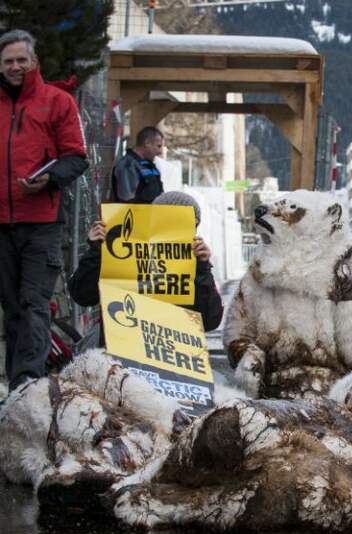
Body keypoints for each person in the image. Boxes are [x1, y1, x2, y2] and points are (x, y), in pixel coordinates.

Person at [0, 30, 88, 389]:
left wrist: (49, 179)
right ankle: (14, 385)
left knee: (34, 304)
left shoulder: (57, 102)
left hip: (41, 222)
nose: (16, 66)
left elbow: (76, 157)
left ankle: (28, 384)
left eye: (22, 60)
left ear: (34, 62)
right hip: (2, 223)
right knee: (12, 309)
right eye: (9, 61)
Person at [67, 191, 224, 349]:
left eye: (190, 225)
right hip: (124, 348)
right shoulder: (123, 250)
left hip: (171, 354)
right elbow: (82, 295)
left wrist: (202, 269)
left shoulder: (194, 262)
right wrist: (96, 251)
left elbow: (210, 320)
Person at [111, 126, 164, 203]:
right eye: (158, 146)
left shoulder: (149, 165)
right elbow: (127, 202)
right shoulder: (128, 165)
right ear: (147, 143)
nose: (160, 152)